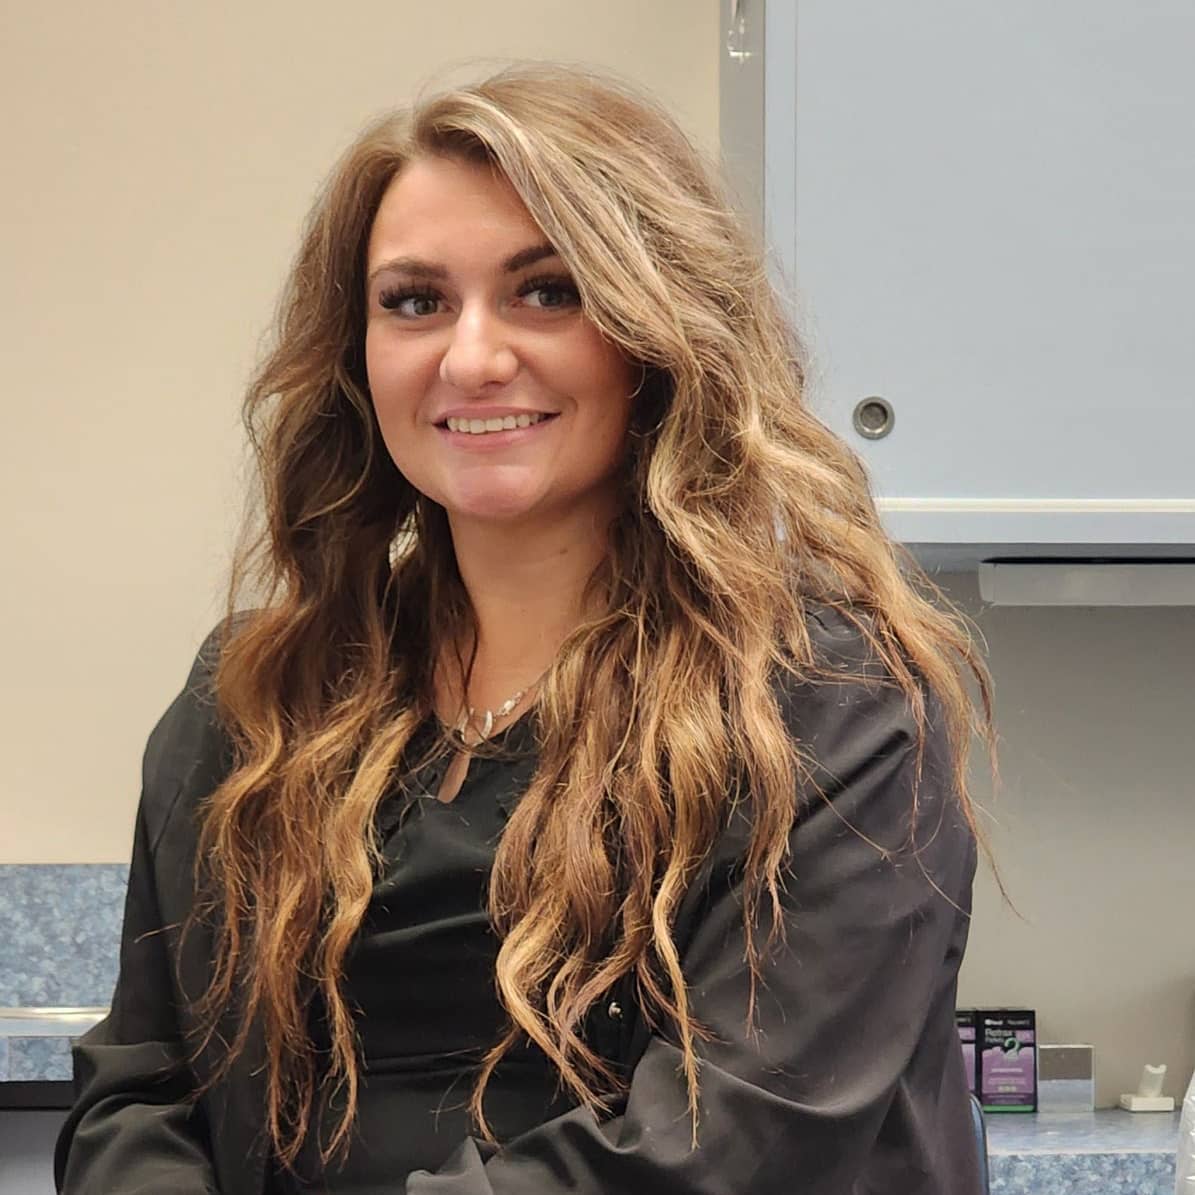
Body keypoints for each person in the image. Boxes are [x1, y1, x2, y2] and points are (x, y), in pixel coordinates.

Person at [54, 64, 996, 1194]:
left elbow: (731, 1149)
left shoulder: (829, 703)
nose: (471, 356)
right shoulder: (257, 699)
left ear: (657, 331)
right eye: (414, 301)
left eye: (545, 291)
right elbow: (139, 1089)